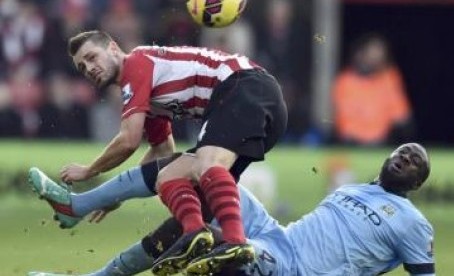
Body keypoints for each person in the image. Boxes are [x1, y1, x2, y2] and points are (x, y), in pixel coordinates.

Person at [57, 30, 287, 274]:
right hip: (257, 104)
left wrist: (88, 171)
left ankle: (235, 243)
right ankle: (195, 234)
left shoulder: (136, 64)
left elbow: (129, 140)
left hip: (244, 85)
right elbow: (163, 151)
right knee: (168, 177)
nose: (89, 68)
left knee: (206, 166)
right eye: (82, 67)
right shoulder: (152, 99)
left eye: (92, 57)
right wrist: (117, 196)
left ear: (113, 48)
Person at [28, 143, 435, 275]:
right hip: (277, 235)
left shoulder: (413, 224)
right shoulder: (356, 189)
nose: (405, 158)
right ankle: (77, 206)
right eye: (402, 152)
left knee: (211, 242)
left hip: (291, 269)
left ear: (417, 183)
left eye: (414, 161)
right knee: (201, 165)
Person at [332, 33, 413, 145]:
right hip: (352, 143)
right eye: (372, 53)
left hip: (382, 142)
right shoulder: (346, 81)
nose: (376, 58)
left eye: (380, 54)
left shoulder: (389, 79)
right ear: (360, 54)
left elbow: (401, 116)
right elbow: (344, 121)